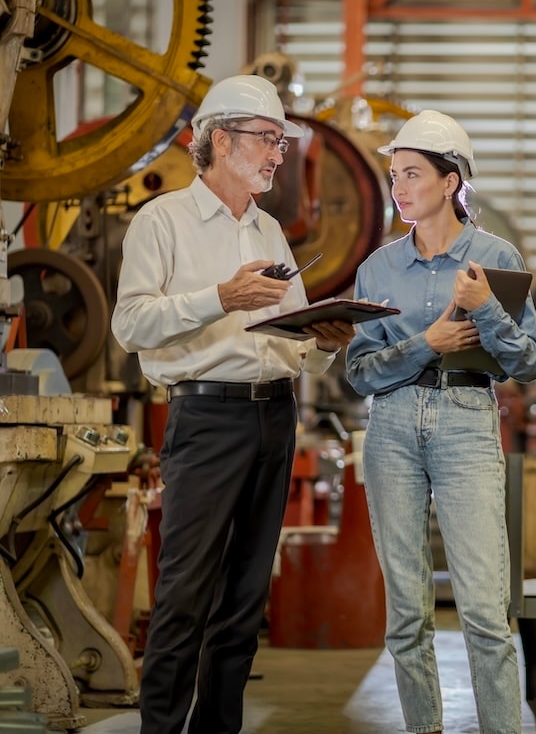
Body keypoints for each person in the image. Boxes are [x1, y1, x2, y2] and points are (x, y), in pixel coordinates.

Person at [112, 74, 356, 734]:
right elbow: (130, 325)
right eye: (268, 139)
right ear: (221, 139)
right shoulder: (162, 221)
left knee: (244, 600)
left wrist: (326, 343)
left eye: (282, 141)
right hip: (206, 417)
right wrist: (220, 297)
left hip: (274, 416)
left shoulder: (271, 231)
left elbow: (290, 343)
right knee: (185, 595)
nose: (280, 154)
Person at [346, 110, 536, 734]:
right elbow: (360, 372)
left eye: (412, 174)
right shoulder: (377, 268)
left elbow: (529, 362)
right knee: (407, 615)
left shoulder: (494, 257)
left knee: (486, 611)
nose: (398, 187)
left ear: (451, 179)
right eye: (394, 175)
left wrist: (487, 310)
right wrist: (426, 342)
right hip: (392, 427)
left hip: (466, 419)